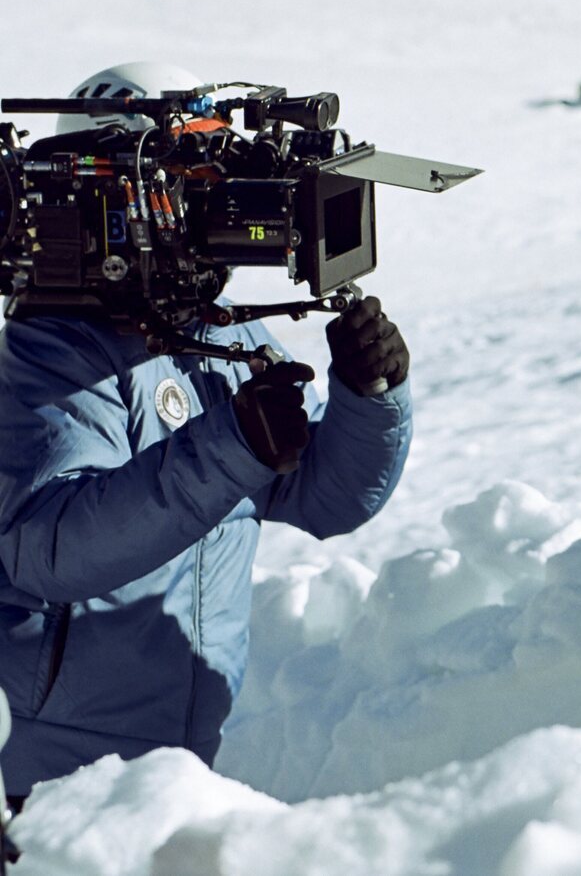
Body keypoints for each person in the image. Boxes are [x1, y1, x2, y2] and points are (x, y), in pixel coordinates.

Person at [0, 63, 414, 813]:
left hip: (186, 759)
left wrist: (368, 395)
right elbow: (47, 549)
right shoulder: (51, 358)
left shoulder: (212, 335)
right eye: (188, 179)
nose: (209, 204)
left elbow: (323, 498)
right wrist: (231, 447)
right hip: (54, 774)